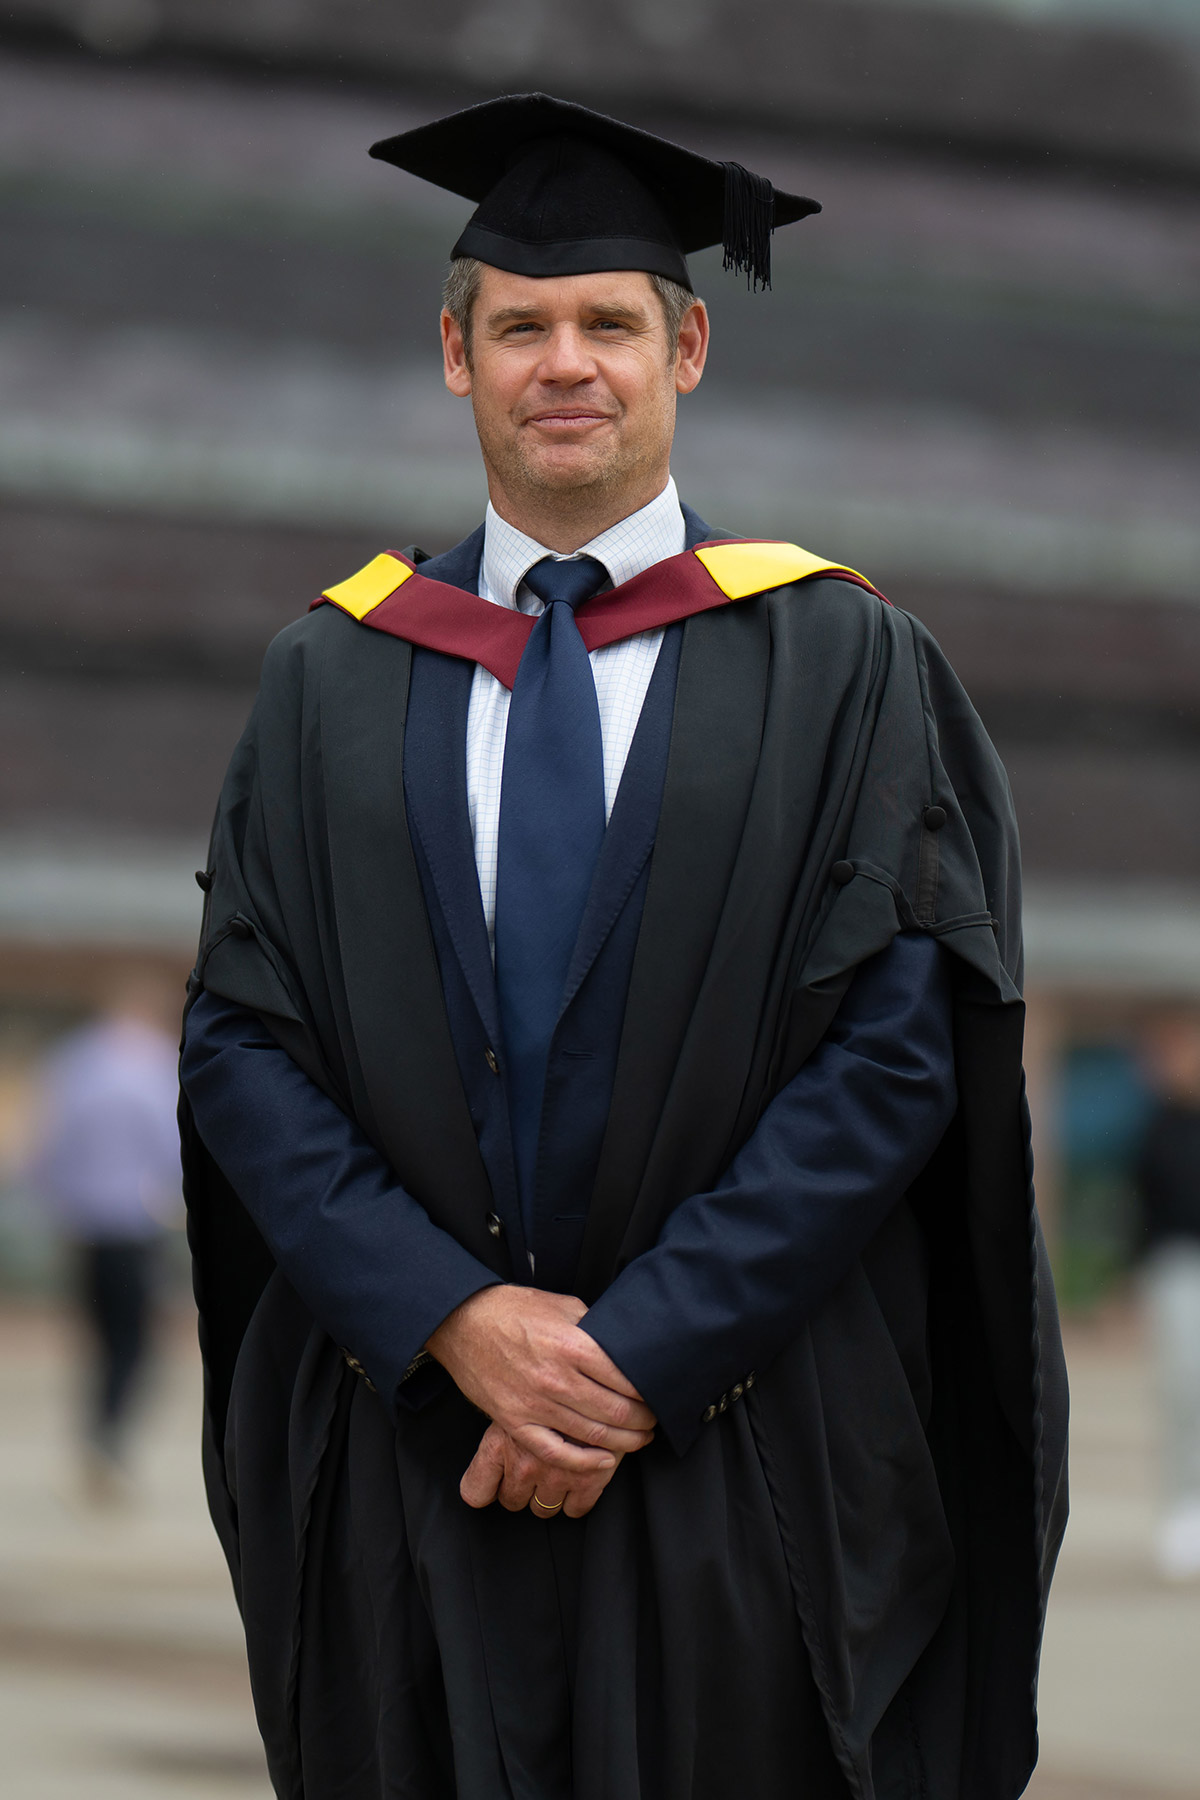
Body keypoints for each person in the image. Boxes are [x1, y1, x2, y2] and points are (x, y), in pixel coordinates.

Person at [180, 93, 1068, 1800]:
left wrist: (636, 1355)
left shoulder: (844, 663)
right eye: (522, 326)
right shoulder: (332, 675)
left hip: (747, 1448)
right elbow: (241, 1043)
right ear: (457, 356)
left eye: (608, 324)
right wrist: (452, 1318)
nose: (564, 361)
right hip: (417, 1449)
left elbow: (900, 1047)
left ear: (690, 349)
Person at [29, 968, 182, 1497]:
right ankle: (110, 1433)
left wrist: (58, 1203)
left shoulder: (73, 1062)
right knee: (133, 1340)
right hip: (136, 1223)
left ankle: (98, 1431)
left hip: (84, 1222)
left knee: (97, 1336)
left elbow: (48, 1147)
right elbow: (172, 1147)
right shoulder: (158, 1067)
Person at [1135, 1013, 1200, 1580]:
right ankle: (1184, 1508)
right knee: (1184, 1387)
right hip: (1176, 1266)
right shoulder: (1157, 1127)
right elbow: (1144, 1210)